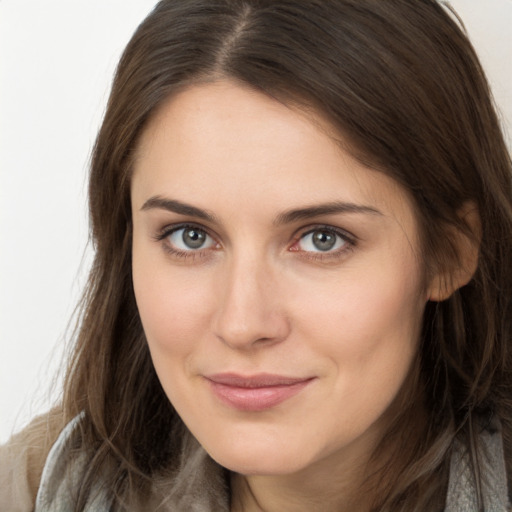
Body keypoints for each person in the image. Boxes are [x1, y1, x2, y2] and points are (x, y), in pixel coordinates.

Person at [1, 0, 512, 510]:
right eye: (190, 236)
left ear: (447, 251)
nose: (243, 324)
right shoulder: (32, 489)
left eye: (321, 239)